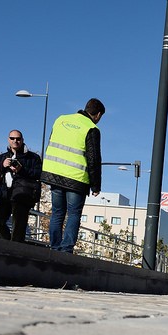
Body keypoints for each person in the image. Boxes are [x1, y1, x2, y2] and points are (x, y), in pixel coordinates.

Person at [41, 98, 105, 253]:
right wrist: (96, 185)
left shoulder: (61, 120)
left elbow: (51, 142)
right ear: (97, 115)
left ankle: (54, 247)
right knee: (74, 214)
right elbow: (93, 159)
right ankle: (66, 248)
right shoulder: (91, 128)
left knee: (57, 212)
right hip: (76, 178)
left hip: (54, 173)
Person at [0, 130, 42, 242]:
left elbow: (39, 174)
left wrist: (21, 170)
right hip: (3, 194)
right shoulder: (2, 157)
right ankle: (8, 245)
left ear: (22, 140)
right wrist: (3, 166)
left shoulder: (33, 158)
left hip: (22, 194)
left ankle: (15, 249)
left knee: (19, 227)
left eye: (18, 139)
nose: (15, 141)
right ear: (8, 140)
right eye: (12, 138)